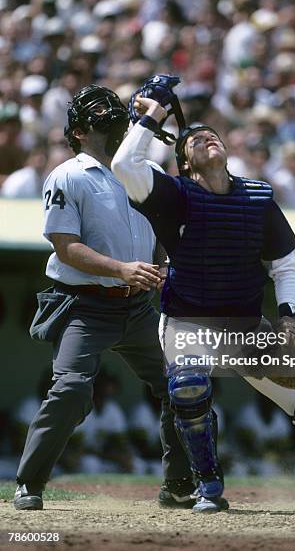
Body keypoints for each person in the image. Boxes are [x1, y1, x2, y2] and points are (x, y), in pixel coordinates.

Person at [111, 81, 295, 515]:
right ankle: (208, 486)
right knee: (189, 386)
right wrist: (154, 115)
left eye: (212, 134)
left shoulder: (257, 197)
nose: (207, 137)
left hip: (245, 325)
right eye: (195, 139)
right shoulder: (175, 193)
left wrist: (289, 320)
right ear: (184, 162)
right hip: (188, 322)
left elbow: (287, 265)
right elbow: (125, 163)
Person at [13, 84, 194, 511]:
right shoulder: (67, 175)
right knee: (72, 390)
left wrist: (164, 263)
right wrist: (121, 268)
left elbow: (165, 229)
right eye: (95, 111)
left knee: (183, 384)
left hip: (137, 306)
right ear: (78, 132)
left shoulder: (143, 167)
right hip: (85, 306)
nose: (109, 112)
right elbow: (65, 246)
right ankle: (30, 483)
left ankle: (179, 483)